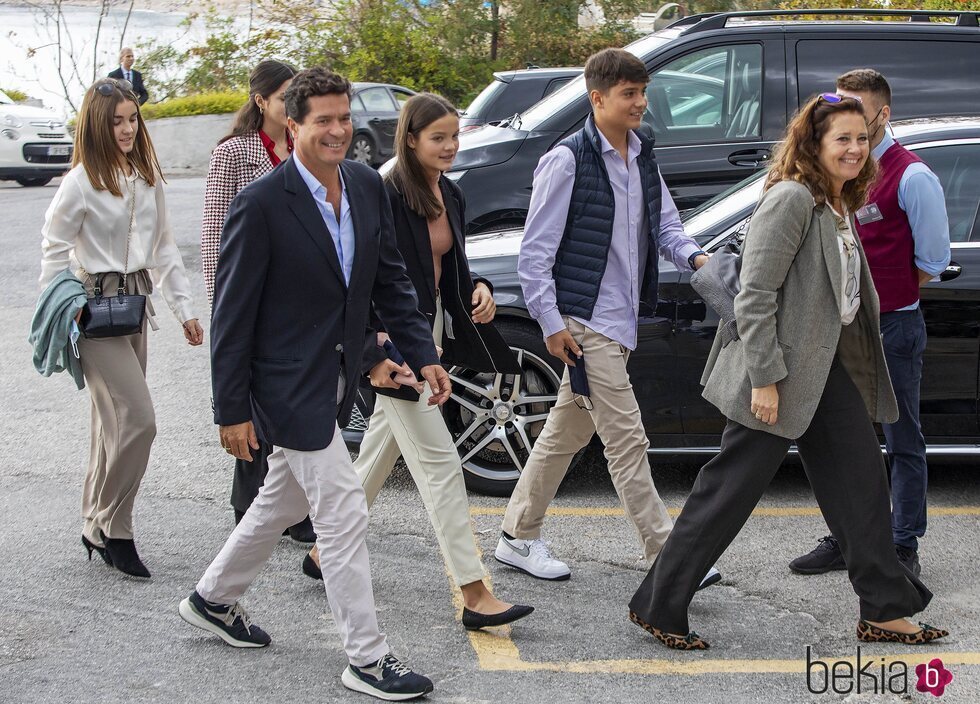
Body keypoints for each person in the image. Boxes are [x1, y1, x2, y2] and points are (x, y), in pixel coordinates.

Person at [628, 93, 948, 650]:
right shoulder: (793, 199)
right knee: (729, 490)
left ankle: (885, 607)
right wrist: (766, 378)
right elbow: (754, 296)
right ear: (814, 145)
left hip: (826, 371)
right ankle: (659, 605)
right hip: (778, 372)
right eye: (841, 139)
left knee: (861, 484)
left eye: (860, 138)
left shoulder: (838, 199)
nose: (853, 148)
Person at [177, 67, 451, 701]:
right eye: (322, 120)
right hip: (283, 384)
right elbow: (232, 315)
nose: (337, 130)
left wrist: (417, 352)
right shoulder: (262, 204)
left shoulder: (362, 184)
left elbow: (388, 281)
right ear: (292, 124)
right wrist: (231, 409)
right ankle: (367, 658)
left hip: (334, 378)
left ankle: (212, 599)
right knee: (343, 507)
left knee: (283, 500)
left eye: (344, 118)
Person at [302, 93, 534, 631]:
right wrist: (378, 346)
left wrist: (478, 287)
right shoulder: (383, 194)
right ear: (411, 139)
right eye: (438, 137)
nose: (451, 146)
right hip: (394, 344)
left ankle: (322, 552)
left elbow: (452, 266)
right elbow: (366, 276)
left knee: (379, 453)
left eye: (454, 135)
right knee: (439, 465)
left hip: (428, 336)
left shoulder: (448, 191)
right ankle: (475, 593)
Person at [494, 48, 719, 590]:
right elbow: (535, 254)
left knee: (564, 434)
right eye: (629, 94)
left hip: (620, 321)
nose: (641, 102)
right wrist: (551, 323)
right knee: (626, 438)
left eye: (643, 92)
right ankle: (667, 555)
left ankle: (516, 535)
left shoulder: (642, 154)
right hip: (584, 321)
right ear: (597, 99)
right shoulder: (567, 160)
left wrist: (696, 260)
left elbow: (668, 228)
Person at [39, 78, 204, 578]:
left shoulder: (145, 175)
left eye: (132, 119)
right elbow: (52, 249)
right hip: (92, 312)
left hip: (136, 307)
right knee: (140, 420)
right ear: (97, 123)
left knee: (109, 426)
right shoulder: (81, 181)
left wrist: (184, 309)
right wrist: (63, 309)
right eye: (116, 121)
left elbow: (166, 247)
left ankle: (96, 518)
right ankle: (113, 526)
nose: (128, 128)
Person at [790, 69, 951, 579]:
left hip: (893, 329)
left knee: (902, 439)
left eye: (858, 116)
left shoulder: (913, 176)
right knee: (844, 441)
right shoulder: (837, 175)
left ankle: (903, 543)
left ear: (881, 115)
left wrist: (886, 298)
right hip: (838, 331)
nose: (849, 127)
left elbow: (930, 260)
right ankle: (847, 536)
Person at [200, 59, 315, 544]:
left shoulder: (306, 147)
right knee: (253, 400)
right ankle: (247, 504)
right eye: (283, 95)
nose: (291, 103)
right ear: (260, 100)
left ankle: (292, 505)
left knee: (293, 399)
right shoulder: (235, 153)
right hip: (251, 295)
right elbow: (213, 235)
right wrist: (221, 302)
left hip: (299, 299)